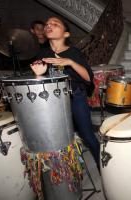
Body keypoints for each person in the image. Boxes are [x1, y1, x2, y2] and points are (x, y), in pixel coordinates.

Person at [30, 16, 100, 169]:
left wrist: (71, 63)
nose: (49, 25)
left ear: (66, 34)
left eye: (55, 24)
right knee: (59, 138)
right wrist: (38, 74)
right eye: (47, 24)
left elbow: (89, 78)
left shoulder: (73, 52)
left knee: (87, 135)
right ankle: (69, 171)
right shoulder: (42, 54)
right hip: (52, 102)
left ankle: (103, 167)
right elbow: (38, 84)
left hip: (76, 97)